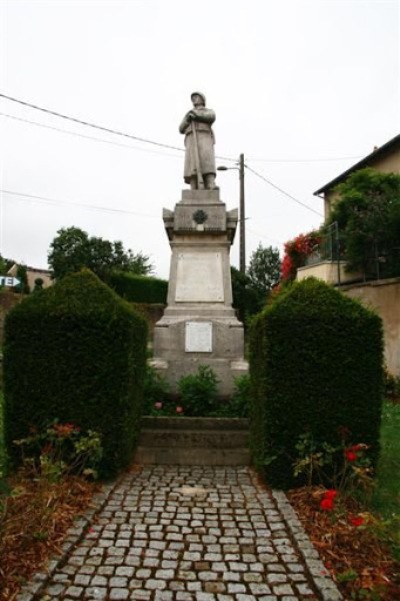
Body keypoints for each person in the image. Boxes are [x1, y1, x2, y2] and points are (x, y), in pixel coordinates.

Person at [179, 92, 217, 190]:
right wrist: (188, 119)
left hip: (204, 136)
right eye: (193, 98)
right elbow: (181, 128)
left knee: (206, 160)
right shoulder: (189, 113)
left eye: (196, 97)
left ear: (202, 99)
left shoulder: (208, 111)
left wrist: (196, 115)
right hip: (191, 139)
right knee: (192, 164)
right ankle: (194, 186)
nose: (194, 99)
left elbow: (211, 117)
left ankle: (210, 183)